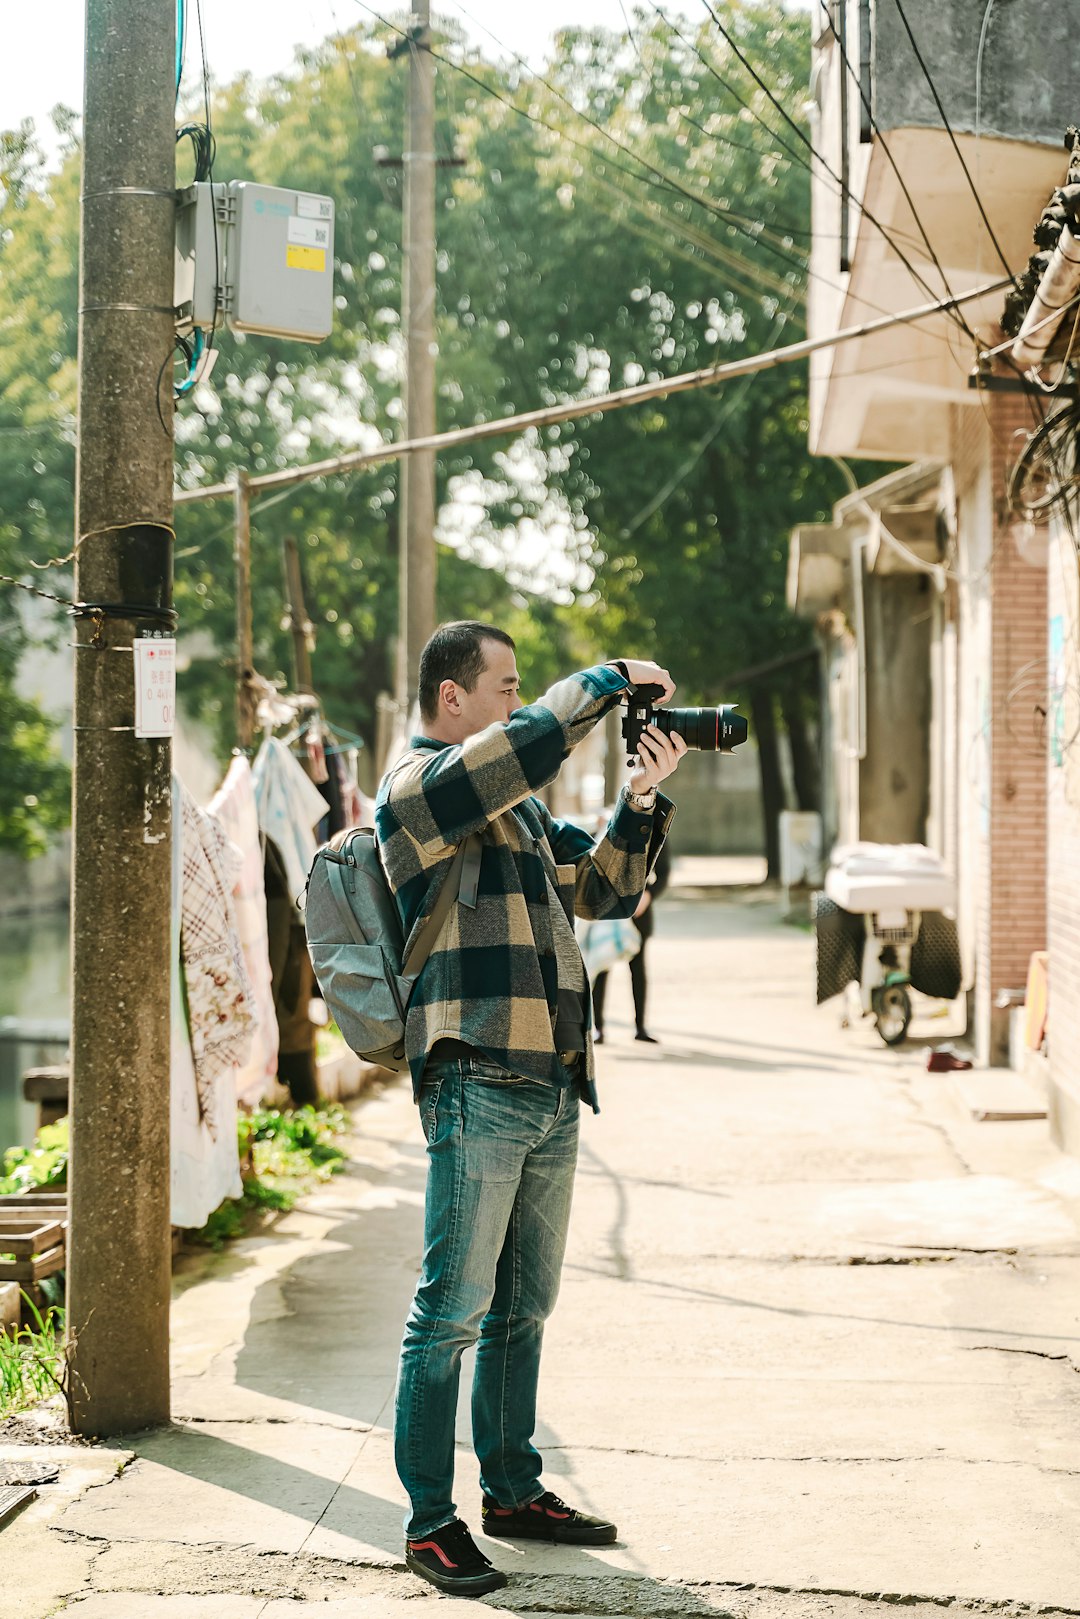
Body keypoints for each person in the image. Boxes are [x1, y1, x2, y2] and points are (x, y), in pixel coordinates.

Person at [375, 621, 686, 1598]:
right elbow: (524, 745)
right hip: (476, 1080)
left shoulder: (514, 813)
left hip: (552, 1087)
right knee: (451, 1311)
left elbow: (606, 891)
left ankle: (511, 1487)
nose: (515, 701)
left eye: (521, 686)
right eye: (502, 685)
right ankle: (430, 1518)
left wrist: (639, 798)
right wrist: (603, 682)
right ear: (450, 697)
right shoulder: (422, 790)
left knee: (524, 1308)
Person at [592, 837, 671, 1045]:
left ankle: (641, 1027)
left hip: (639, 911)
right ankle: (598, 1027)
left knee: (638, 968)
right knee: (601, 965)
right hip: (610, 905)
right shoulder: (609, 823)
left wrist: (648, 895)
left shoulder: (656, 827)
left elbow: (664, 874)